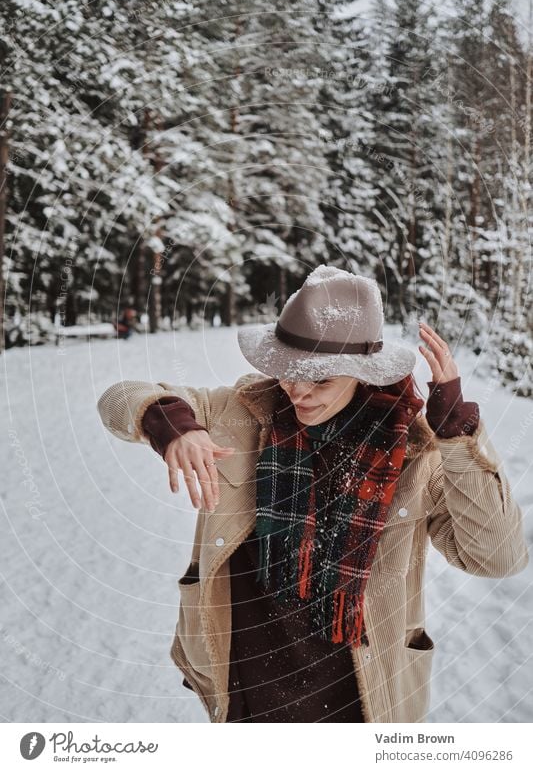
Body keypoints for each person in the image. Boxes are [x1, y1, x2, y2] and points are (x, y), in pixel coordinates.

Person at [96, 265, 528, 723]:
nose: (297, 390)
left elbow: (496, 557)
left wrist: (457, 437)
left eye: (320, 380)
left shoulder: (419, 453)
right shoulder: (240, 413)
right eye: (288, 371)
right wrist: (170, 426)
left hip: (358, 704)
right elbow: (118, 398)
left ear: (363, 374)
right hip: (246, 691)